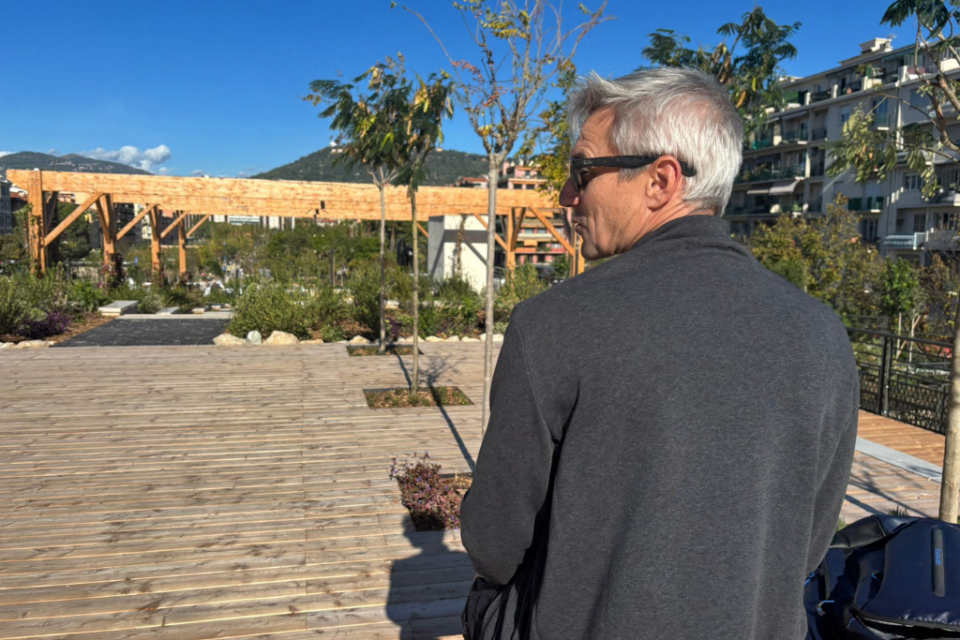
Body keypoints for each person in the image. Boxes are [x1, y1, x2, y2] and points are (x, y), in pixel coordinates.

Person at [460, 68, 859, 640]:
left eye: (581, 171)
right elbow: (808, 546)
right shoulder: (823, 335)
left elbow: (492, 543)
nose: (567, 195)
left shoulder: (554, 324)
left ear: (660, 180)